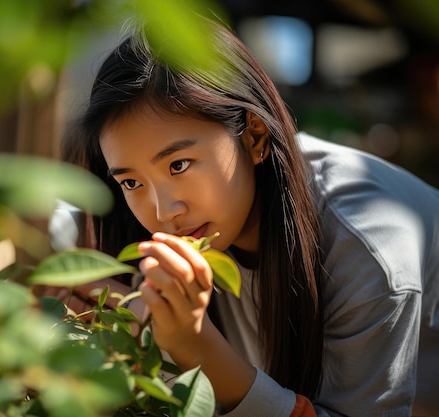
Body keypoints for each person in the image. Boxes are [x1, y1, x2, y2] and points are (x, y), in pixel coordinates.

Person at [57, 14, 439, 417]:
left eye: (179, 165)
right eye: (131, 183)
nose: (163, 212)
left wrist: (194, 345)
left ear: (254, 136)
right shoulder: (211, 227)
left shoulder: (366, 246)